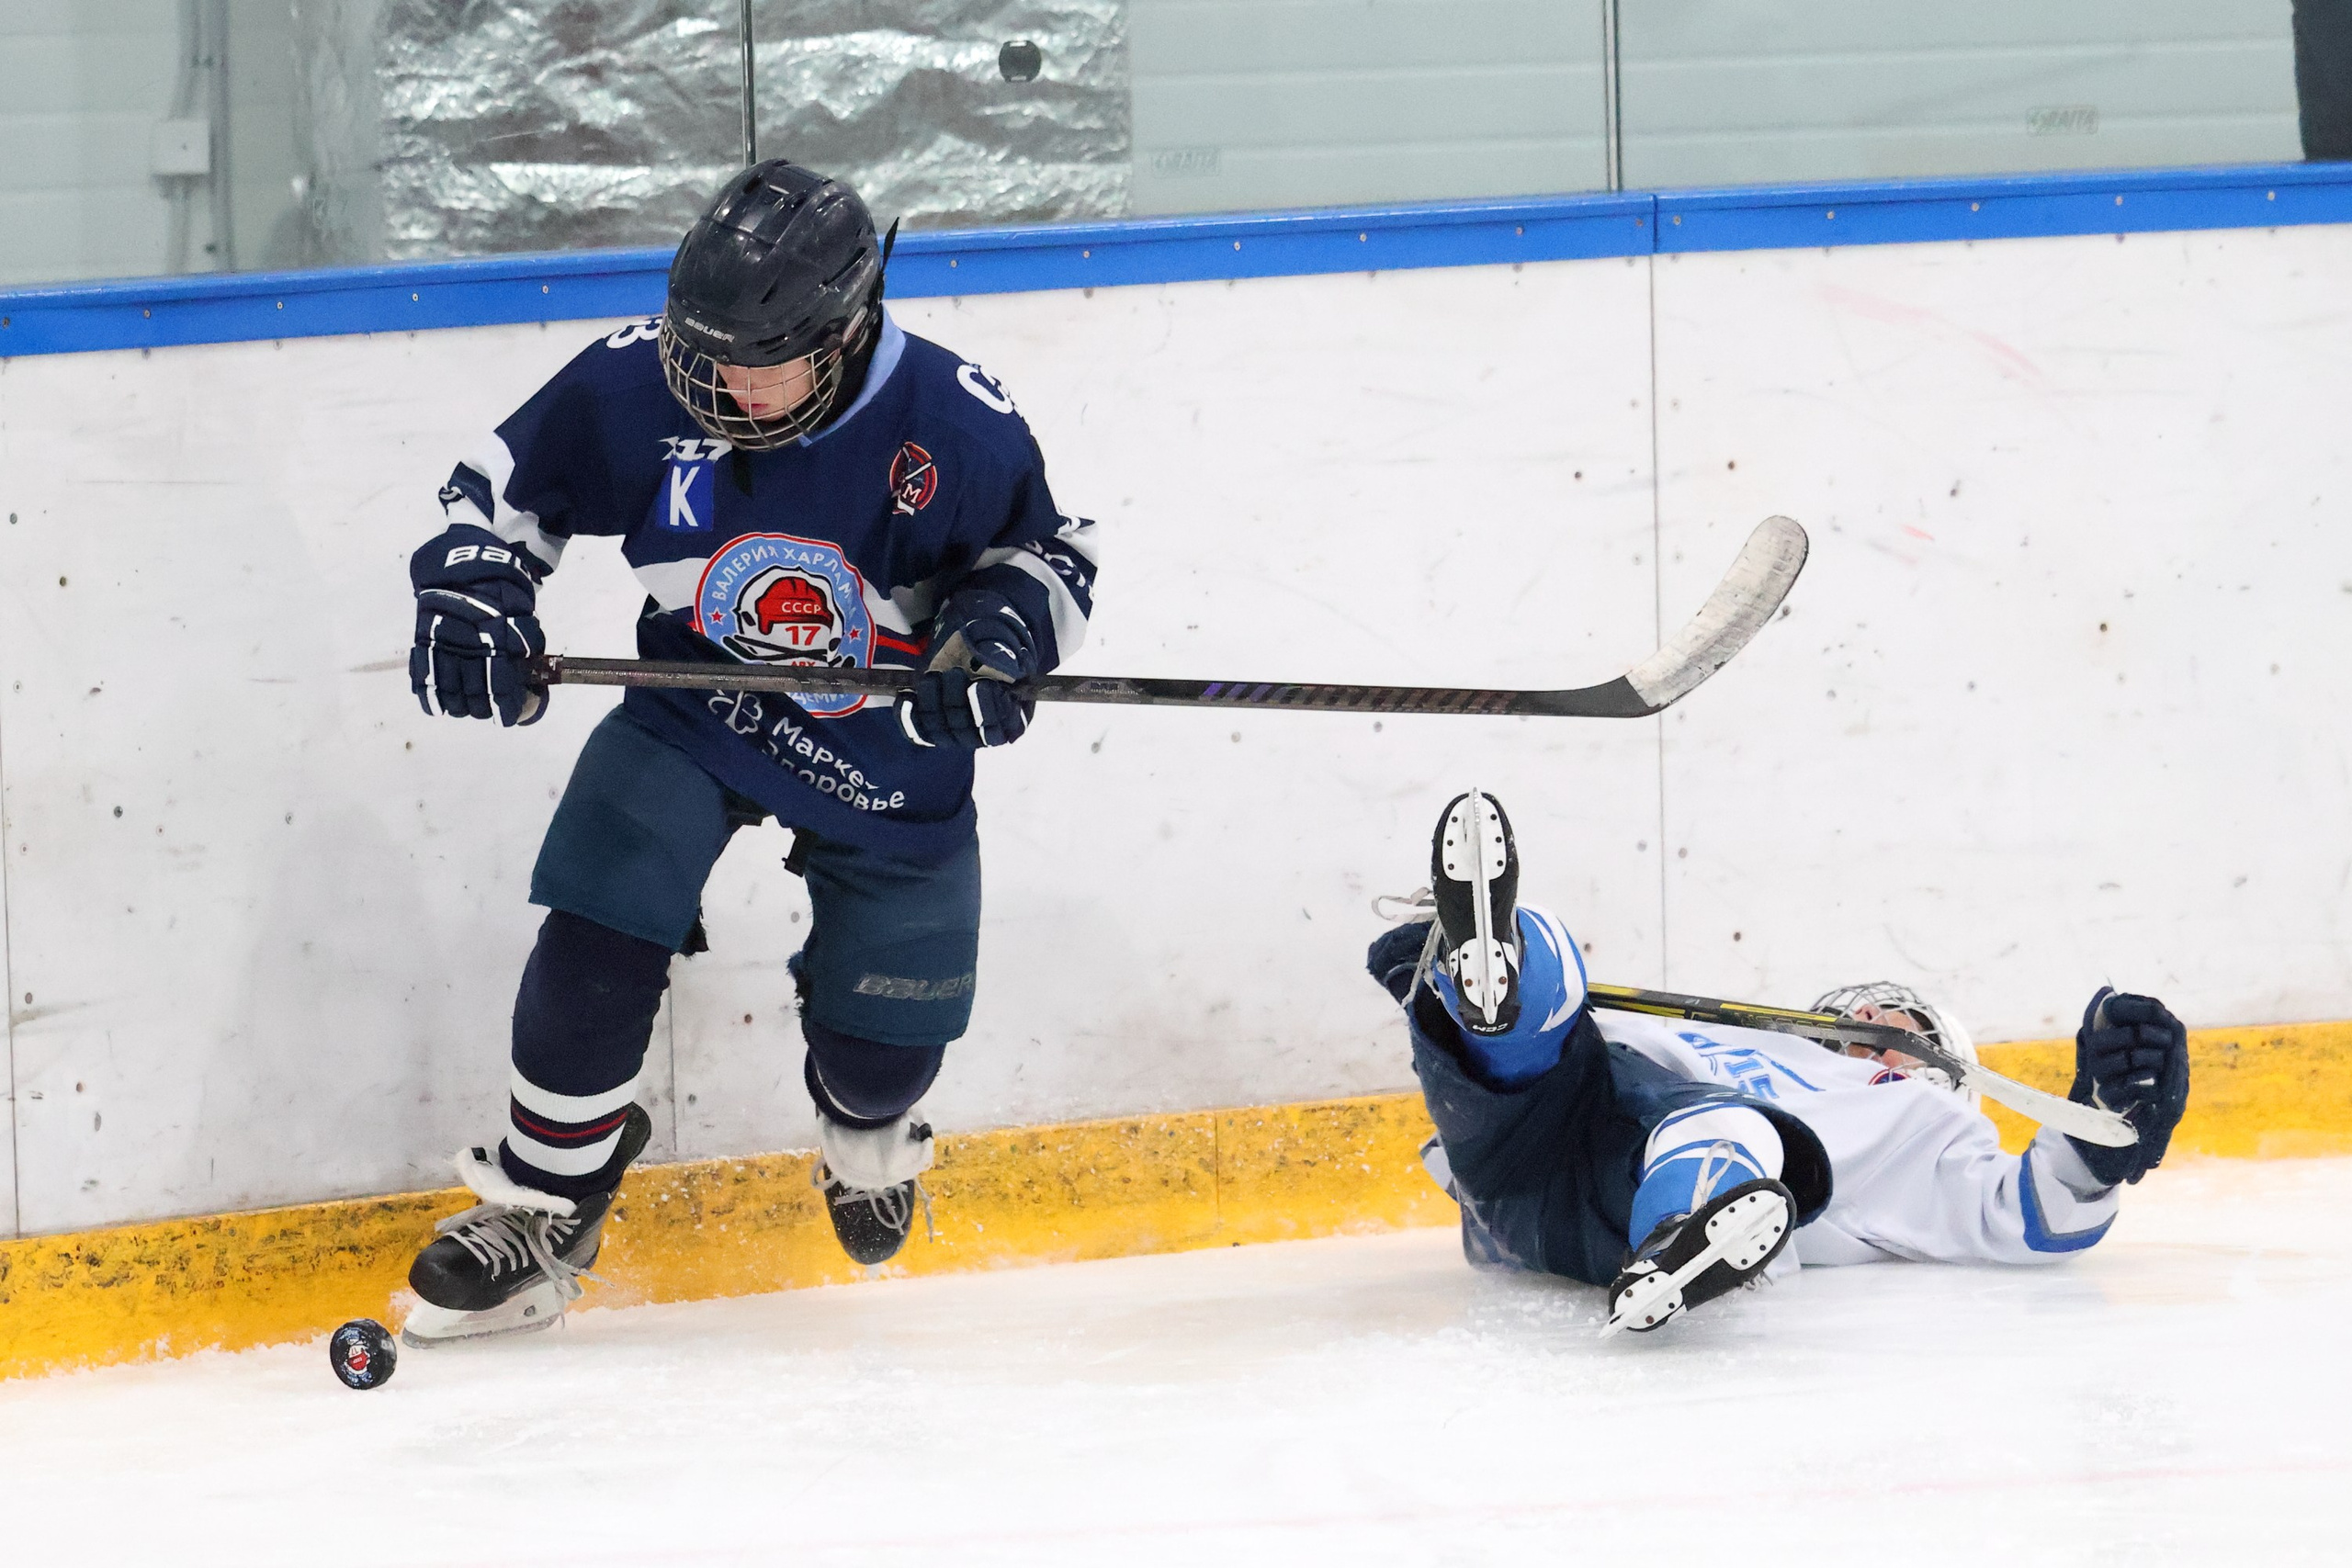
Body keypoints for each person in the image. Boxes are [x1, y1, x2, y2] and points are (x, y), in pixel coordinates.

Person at [399, 160, 1099, 1345]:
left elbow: (1048, 558)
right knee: (595, 926)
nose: (722, 382)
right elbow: (499, 497)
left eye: (759, 361)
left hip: (887, 757)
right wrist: (475, 591)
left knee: (883, 1064)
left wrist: (999, 632)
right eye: (704, 349)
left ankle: (862, 1130)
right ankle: (545, 1204)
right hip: (698, 710)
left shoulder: (952, 419)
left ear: (847, 328)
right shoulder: (645, 377)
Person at [1370, 791, 2191, 1336]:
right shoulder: (1755, 1043)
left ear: (1938, 1064)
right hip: (1524, 1141)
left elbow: (2029, 1213)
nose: (1869, 1017)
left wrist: (2100, 1142)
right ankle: (1479, 975)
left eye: (1897, 1020)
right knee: (1549, 962)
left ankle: (1675, 1238)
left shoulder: (1920, 1124)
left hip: (1602, 1208)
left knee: (1737, 1130)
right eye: (1857, 1009)